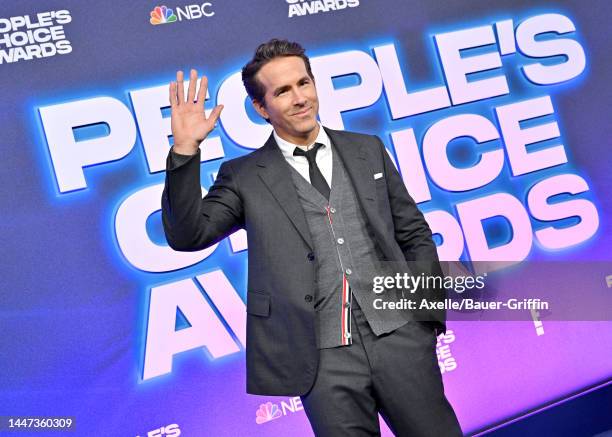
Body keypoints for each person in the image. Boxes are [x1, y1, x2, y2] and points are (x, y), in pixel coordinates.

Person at [162, 38, 462, 436]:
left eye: (304, 83)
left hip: (401, 340)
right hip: (320, 361)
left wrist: (425, 319)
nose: (299, 98)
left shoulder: (366, 149)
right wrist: (185, 150)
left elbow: (414, 233)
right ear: (261, 108)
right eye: (282, 91)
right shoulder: (245, 176)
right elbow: (188, 235)